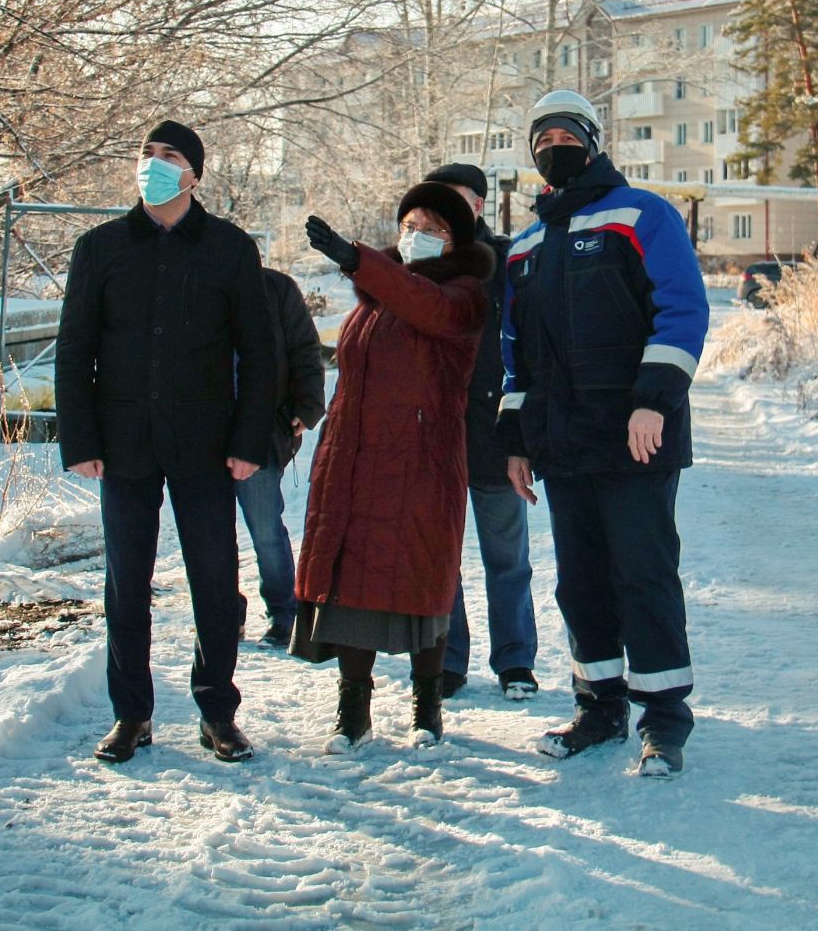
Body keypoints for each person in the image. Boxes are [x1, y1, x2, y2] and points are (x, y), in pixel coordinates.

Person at [496, 90, 709, 778]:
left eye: (565, 133)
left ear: (591, 140)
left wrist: (653, 401)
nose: (552, 145)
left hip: (634, 438)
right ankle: (600, 706)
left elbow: (681, 311)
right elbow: (516, 354)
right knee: (581, 583)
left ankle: (665, 720)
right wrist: (517, 440)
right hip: (565, 444)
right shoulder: (526, 245)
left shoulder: (642, 214)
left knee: (643, 576)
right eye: (541, 137)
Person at [55, 120, 276, 765]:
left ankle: (217, 712)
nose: (153, 163)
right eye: (146, 153)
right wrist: (80, 438)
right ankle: (132, 714)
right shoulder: (100, 247)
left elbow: (259, 354)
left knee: (214, 579)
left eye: (168, 155)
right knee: (127, 582)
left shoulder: (229, 249)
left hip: (207, 444)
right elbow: (76, 348)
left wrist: (248, 440)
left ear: (193, 174)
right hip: (122, 443)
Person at [292, 184, 493, 753]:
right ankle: (352, 711)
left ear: (454, 240)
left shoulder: (465, 295)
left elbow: (427, 307)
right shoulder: (371, 304)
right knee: (351, 585)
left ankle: (427, 707)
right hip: (354, 459)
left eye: (431, 227)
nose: (415, 236)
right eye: (409, 224)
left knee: (422, 580)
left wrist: (360, 260)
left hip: (421, 462)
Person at [422, 163, 539, 702]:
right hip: (436, 434)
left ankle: (516, 661)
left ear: (478, 204)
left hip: (495, 431)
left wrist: (525, 428)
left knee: (507, 558)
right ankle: (449, 660)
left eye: (457, 198)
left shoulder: (509, 259)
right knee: (442, 557)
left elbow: (529, 343)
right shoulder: (421, 262)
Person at [233, 264, 327, 648]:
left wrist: (306, 408)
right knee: (210, 536)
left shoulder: (276, 289)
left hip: (260, 430)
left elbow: (304, 348)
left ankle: (284, 615)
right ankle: (223, 613)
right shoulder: (196, 280)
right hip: (201, 431)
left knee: (266, 530)